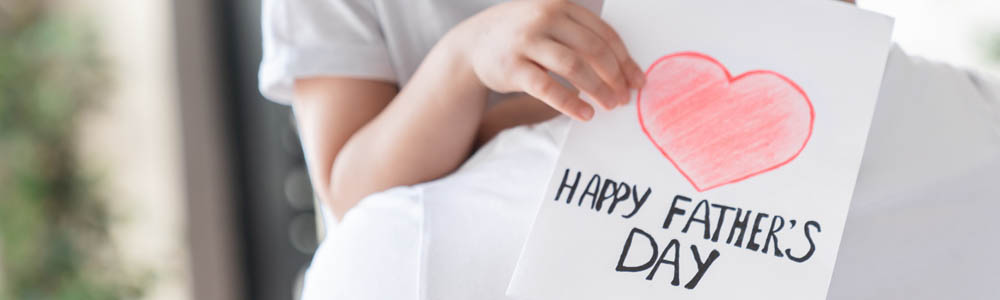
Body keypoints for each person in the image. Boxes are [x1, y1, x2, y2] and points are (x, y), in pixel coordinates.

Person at [259, 0, 1000, 299]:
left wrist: (491, 123)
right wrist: (461, 63)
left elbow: (796, 44)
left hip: (748, 191)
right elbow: (352, 191)